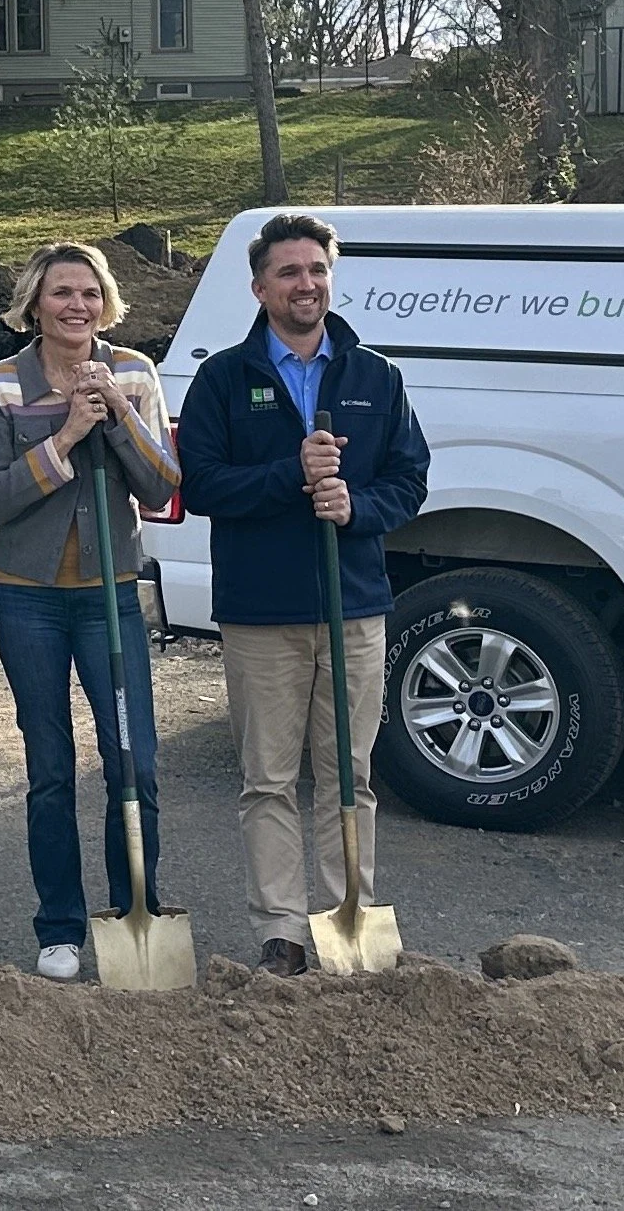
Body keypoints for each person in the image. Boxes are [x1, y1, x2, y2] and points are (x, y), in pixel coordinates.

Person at [178, 212, 430, 978]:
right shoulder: (224, 378)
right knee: (268, 779)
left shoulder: (374, 377)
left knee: (349, 776)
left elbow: (408, 480)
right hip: (262, 612)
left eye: (316, 269)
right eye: (288, 272)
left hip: (352, 606)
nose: (305, 284)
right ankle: (281, 930)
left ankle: (342, 916)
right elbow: (204, 484)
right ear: (259, 288)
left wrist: (357, 508)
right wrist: (290, 472)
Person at [0, 242, 181, 982]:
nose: (76, 307)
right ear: (34, 303)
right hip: (25, 596)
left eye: (89, 294)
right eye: (61, 293)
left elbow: (159, 487)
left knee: (134, 761)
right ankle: (58, 925)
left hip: (109, 594)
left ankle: (137, 911)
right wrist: (62, 435)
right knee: (49, 765)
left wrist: (116, 411)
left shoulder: (133, 371)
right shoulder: (1, 382)